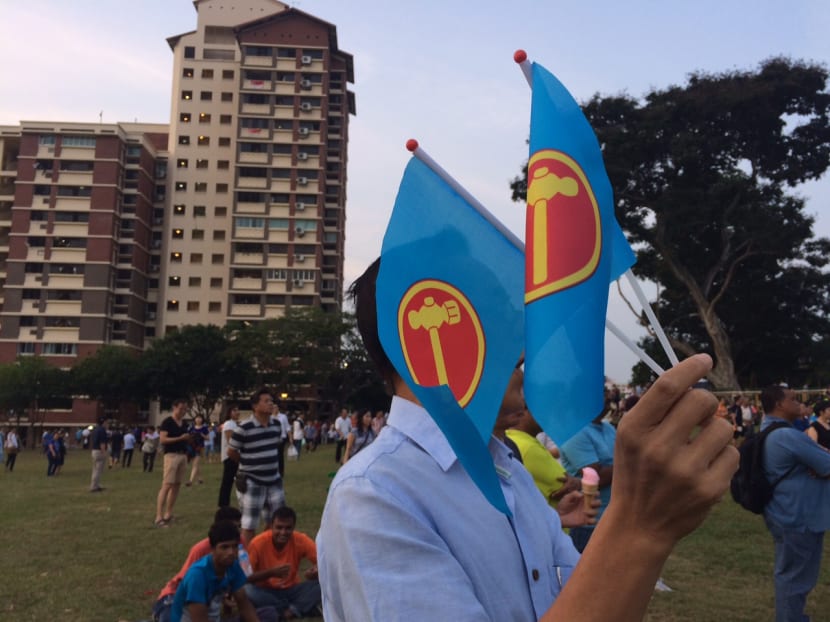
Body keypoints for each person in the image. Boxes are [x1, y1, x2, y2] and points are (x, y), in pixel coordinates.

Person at [317, 258, 737, 621]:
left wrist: (634, 523)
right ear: (426, 340)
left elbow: (583, 598)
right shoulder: (375, 495)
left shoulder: (507, 471)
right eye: (494, 321)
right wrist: (641, 526)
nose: (522, 349)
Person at [760, 385, 830, 622]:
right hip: (798, 516)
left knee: (792, 576)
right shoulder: (787, 436)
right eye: (793, 399)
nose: (799, 403)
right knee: (795, 579)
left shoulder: (772, 430)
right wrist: (819, 462)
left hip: (786, 512)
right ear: (780, 404)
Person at [170, 520, 261, 622]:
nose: (231, 552)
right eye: (224, 547)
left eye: (234, 546)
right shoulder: (197, 575)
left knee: (267, 613)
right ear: (212, 549)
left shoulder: (233, 565)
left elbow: (244, 604)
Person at [228, 389, 285, 544]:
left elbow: (275, 446)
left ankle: (265, 549)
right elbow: (231, 451)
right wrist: (248, 462)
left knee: (277, 520)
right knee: (249, 524)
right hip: (252, 481)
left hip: (274, 480)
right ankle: (249, 555)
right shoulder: (243, 428)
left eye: (271, 401)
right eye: (266, 401)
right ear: (255, 406)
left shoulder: (276, 425)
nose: (270, 403)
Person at [244, 506, 321, 619]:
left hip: (292, 589)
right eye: (279, 527)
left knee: (323, 584)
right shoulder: (257, 543)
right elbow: (245, 578)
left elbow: (324, 563)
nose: (283, 532)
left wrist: (316, 571)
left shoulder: (301, 539)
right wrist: (271, 573)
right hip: (266, 591)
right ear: (271, 526)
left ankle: (287, 611)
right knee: (247, 590)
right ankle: (298, 607)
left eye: (288, 528)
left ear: (293, 527)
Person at [558, 405, 616, 553]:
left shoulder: (608, 428)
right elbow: (594, 476)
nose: (608, 396)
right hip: (588, 523)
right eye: (602, 394)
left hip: (613, 518)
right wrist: (628, 461)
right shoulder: (574, 431)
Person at [506, 407, 580, 509]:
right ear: (522, 412)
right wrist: (578, 483)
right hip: (558, 517)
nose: (547, 415)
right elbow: (566, 486)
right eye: (539, 409)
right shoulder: (530, 448)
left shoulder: (511, 439)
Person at [155, 399, 191, 527]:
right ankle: (159, 516)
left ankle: (168, 513)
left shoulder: (184, 423)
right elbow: (163, 439)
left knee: (176, 485)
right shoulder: (167, 422)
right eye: (181, 408)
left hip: (182, 455)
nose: (183, 411)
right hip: (171, 455)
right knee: (167, 485)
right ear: (174, 407)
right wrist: (180, 438)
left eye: (185, 409)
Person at [218, 404, 242, 508]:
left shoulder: (235, 424)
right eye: (234, 410)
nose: (237, 412)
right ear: (229, 413)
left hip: (234, 455)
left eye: (238, 410)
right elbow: (231, 441)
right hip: (230, 456)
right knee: (227, 481)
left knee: (232, 480)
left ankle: (225, 502)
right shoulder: (229, 424)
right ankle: (224, 503)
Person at [187, 415, 209, 486]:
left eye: (200, 418)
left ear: (202, 419)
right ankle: (200, 479)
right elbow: (188, 436)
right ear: (195, 419)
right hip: (191, 447)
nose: (198, 419)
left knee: (195, 464)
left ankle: (190, 481)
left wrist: (202, 435)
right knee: (196, 465)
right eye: (197, 418)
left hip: (199, 448)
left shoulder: (204, 428)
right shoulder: (191, 427)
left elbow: (208, 438)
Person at [89, 418, 108, 492]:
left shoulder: (95, 429)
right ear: (103, 423)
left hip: (94, 450)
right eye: (106, 423)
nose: (107, 425)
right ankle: (94, 486)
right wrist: (104, 452)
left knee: (95, 469)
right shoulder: (102, 430)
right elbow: (102, 442)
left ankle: (96, 485)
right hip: (99, 451)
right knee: (98, 470)